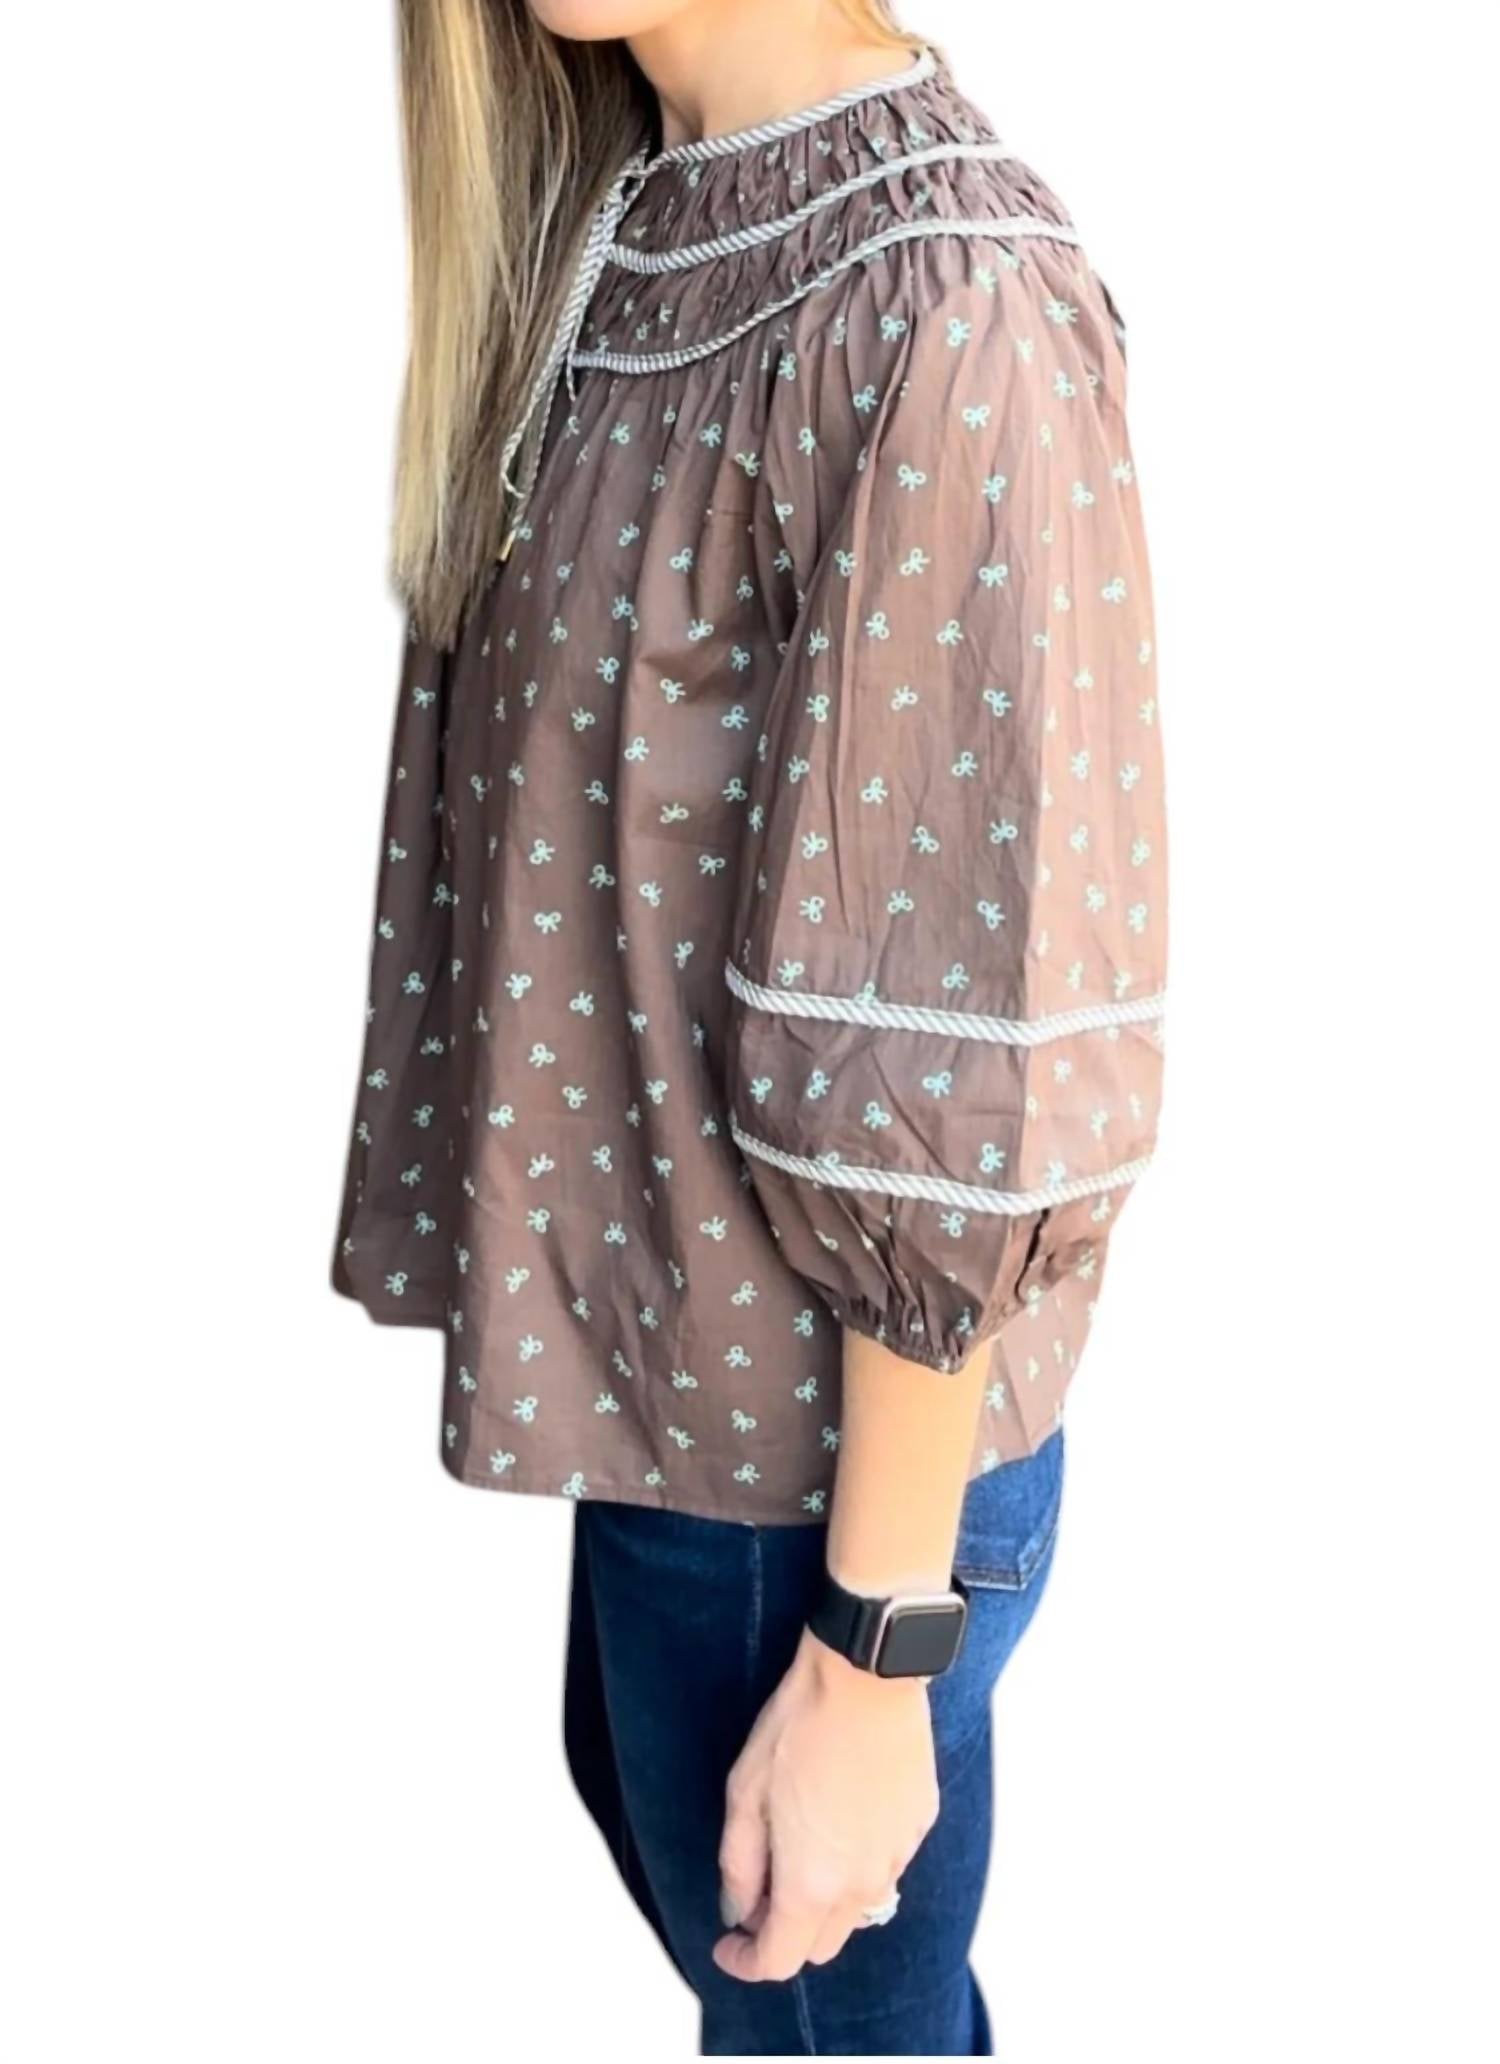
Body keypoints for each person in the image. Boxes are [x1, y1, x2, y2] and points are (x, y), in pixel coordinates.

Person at [332, 2, 1167, 2052]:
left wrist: (875, 1653)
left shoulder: (940, 290)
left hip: (824, 1487)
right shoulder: (634, 233)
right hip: (684, 1428)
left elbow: (969, 1024)